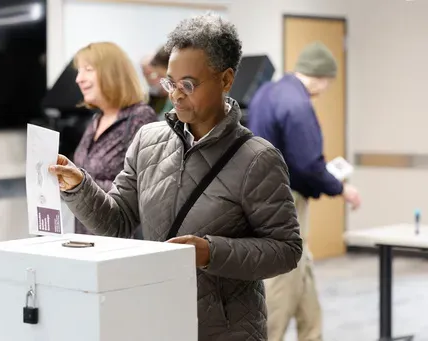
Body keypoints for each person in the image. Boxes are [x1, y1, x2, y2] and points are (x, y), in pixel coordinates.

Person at [49, 13, 302, 341]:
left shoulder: (257, 158)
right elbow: (117, 222)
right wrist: (80, 187)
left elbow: (286, 249)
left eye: (189, 84)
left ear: (226, 80)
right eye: (170, 82)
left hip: (224, 329)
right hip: (156, 315)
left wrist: (211, 252)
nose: (176, 94)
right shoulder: (148, 140)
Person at [247, 41, 362, 341]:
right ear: (321, 76)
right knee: (284, 279)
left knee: (302, 270)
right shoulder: (298, 105)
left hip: (263, 196)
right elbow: (308, 165)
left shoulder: (266, 93)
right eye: (328, 82)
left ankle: (313, 333)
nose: (326, 89)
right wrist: (340, 188)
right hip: (287, 202)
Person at [72, 41, 156, 234]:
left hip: (118, 241)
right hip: (86, 237)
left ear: (112, 73)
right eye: (79, 71)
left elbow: (146, 189)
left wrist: (79, 183)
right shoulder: (96, 120)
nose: (79, 79)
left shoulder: (140, 118)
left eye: (88, 69)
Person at [140, 46, 173, 118]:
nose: (151, 79)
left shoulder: (175, 96)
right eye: (146, 75)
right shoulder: (147, 99)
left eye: (153, 74)